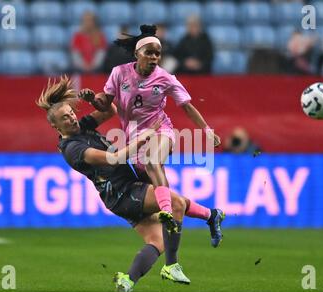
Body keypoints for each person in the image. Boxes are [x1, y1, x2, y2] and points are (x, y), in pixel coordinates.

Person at [36, 76, 225, 292]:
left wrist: (93, 101)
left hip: (122, 192)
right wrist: (145, 137)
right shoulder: (72, 148)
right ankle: (173, 264)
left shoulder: (82, 128)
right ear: (55, 126)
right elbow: (116, 158)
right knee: (174, 204)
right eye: (65, 118)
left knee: (158, 240)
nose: (72, 118)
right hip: (122, 192)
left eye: (71, 113)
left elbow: (110, 111)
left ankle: (128, 281)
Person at [81, 25, 223, 234]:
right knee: (163, 192)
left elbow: (187, 106)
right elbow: (105, 103)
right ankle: (211, 215)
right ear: (137, 53)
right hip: (134, 138)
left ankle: (166, 213)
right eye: (149, 52)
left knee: (152, 161)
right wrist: (93, 99)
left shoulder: (165, 78)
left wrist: (207, 130)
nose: (155, 57)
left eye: (158, 53)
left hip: (160, 129)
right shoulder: (119, 73)